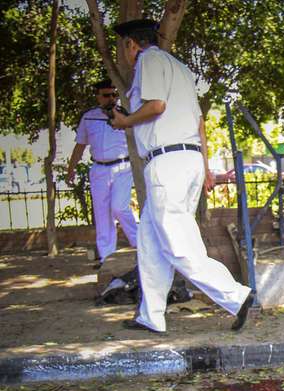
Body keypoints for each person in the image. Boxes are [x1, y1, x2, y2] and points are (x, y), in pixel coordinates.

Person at [109, 19, 253, 333]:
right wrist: (204, 166)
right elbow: (199, 122)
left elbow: (157, 106)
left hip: (167, 163)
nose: (124, 53)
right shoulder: (180, 69)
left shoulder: (149, 60)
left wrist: (126, 122)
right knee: (151, 242)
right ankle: (151, 315)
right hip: (186, 159)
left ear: (132, 44)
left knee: (177, 244)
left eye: (124, 47)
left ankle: (236, 296)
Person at [67, 78, 138, 267]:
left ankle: (140, 243)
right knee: (102, 214)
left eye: (114, 94)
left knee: (119, 207)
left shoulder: (126, 115)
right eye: (107, 95)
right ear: (98, 96)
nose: (111, 98)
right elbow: (80, 145)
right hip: (99, 169)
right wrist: (71, 168)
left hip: (123, 167)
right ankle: (107, 257)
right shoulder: (88, 117)